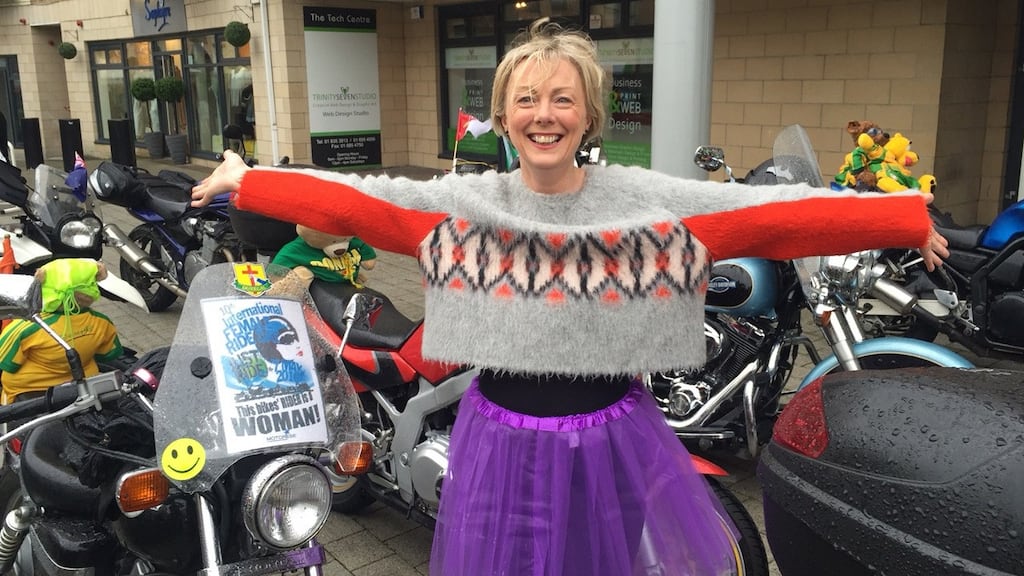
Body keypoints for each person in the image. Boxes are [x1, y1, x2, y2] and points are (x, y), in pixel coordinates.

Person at [193, 18, 948, 576]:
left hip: (610, 437)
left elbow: (770, 218)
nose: (543, 113)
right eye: (526, 99)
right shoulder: (465, 205)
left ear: (589, 114)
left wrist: (902, 218)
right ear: (506, 114)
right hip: (499, 437)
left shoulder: (646, 205)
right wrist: (250, 180)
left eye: (562, 99)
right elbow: (362, 202)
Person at [0, 259, 123, 405]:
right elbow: (107, 354)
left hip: (30, 392)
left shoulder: (26, 327)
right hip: (81, 387)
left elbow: (7, 363)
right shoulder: (102, 322)